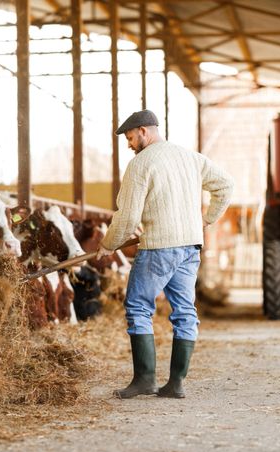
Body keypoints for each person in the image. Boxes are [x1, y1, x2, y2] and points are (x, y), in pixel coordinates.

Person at [98, 109, 233, 399]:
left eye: (131, 138)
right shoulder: (191, 158)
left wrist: (109, 243)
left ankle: (145, 379)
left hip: (159, 247)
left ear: (145, 132)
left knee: (137, 307)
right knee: (185, 313)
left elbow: (128, 215)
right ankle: (176, 384)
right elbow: (226, 185)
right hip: (190, 247)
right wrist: (207, 219)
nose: (130, 145)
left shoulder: (141, 163)